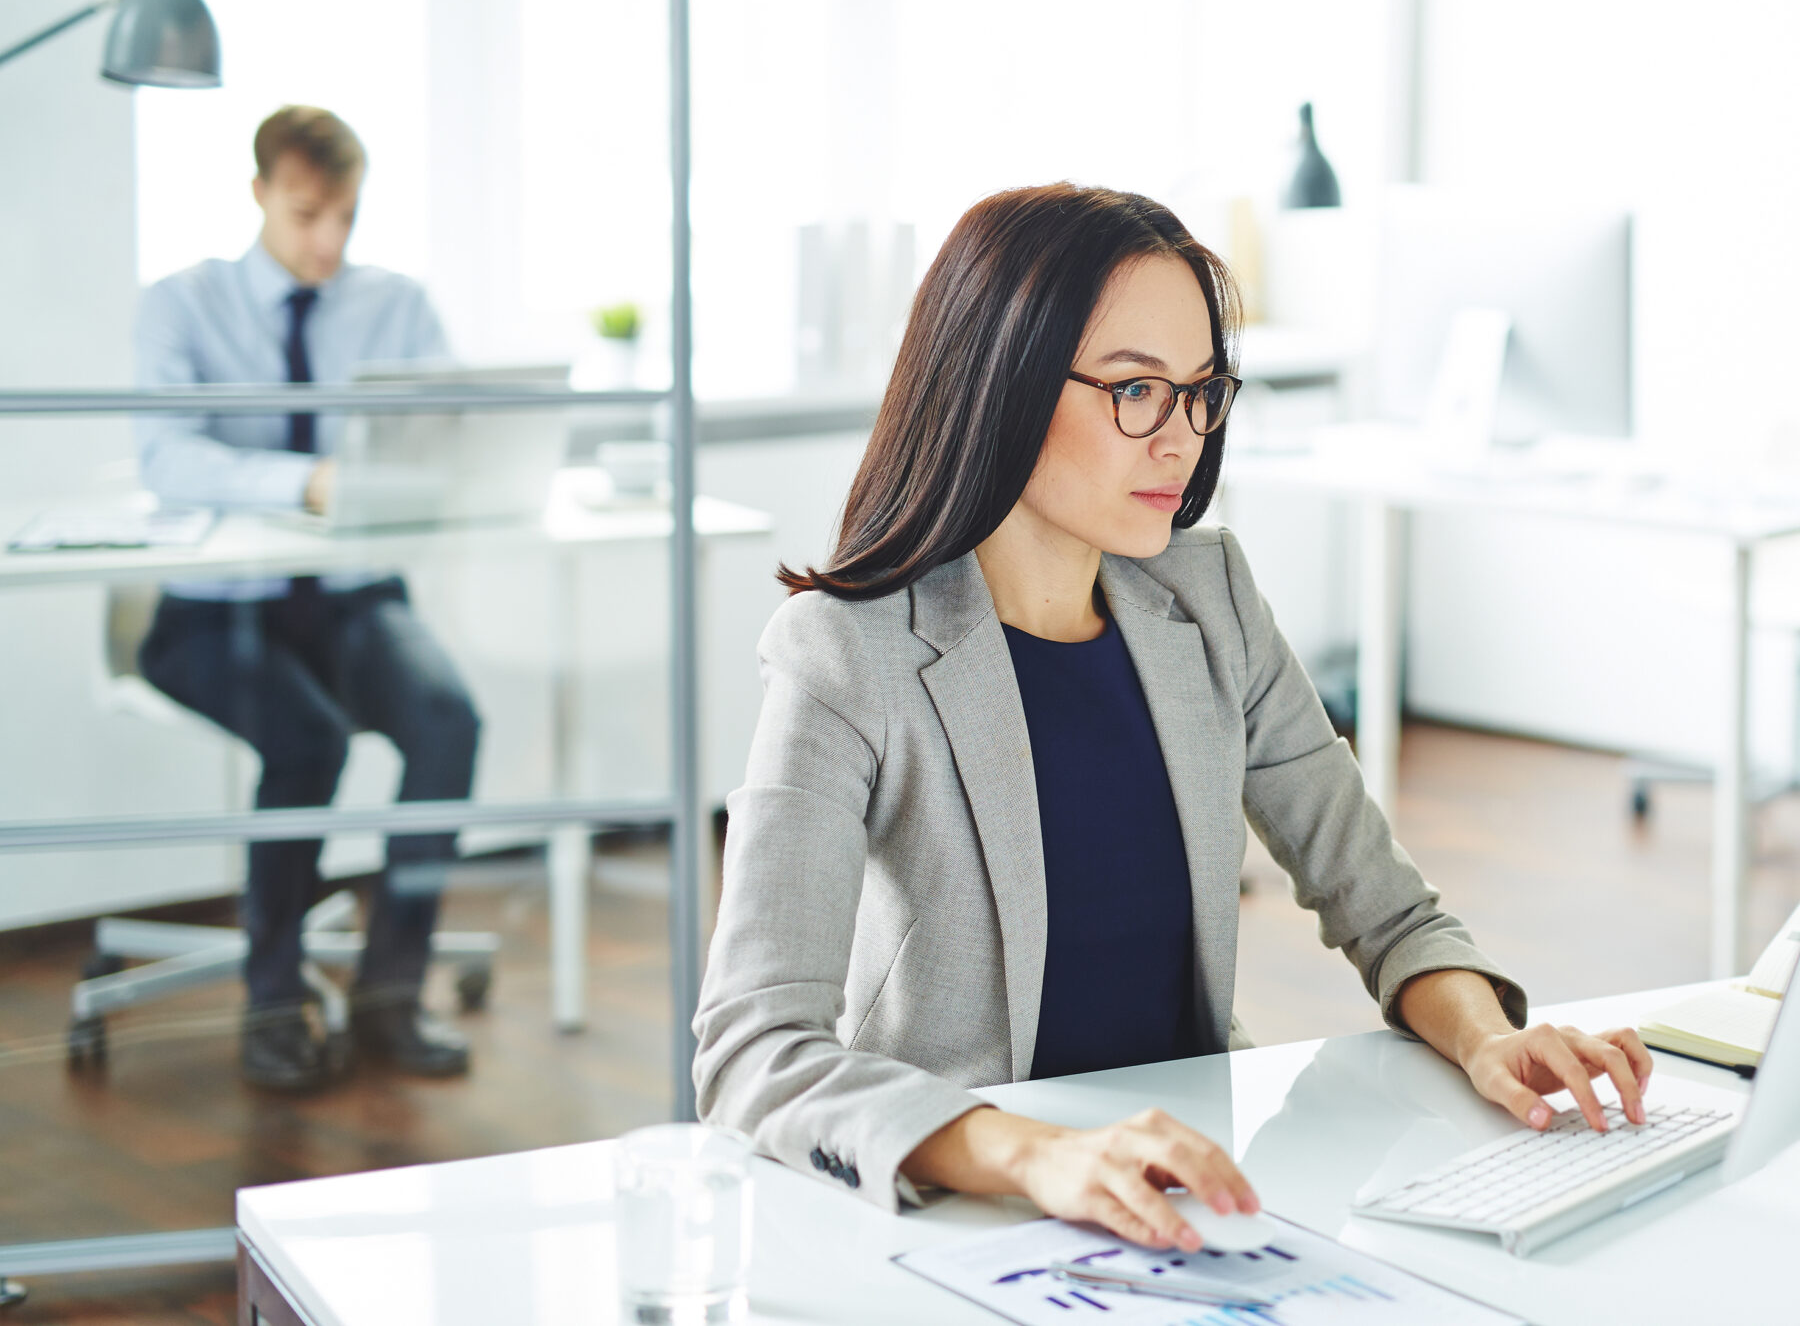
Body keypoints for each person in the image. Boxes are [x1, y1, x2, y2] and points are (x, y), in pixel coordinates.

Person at [694, 184, 1652, 1252]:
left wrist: (1482, 1038)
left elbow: (1386, 912)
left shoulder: (1208, 595)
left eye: (1202, 392)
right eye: (1137, 389)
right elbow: (752, 1046)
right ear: (1001, 384)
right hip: (968, 1211)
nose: (1183, 438)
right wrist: (1032, 1151)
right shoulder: (846, 651)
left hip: (1183, 1203)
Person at [134, 105, 480, 1091]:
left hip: (352, 597)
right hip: (214, 610)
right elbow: (165, 458)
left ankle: (388, 999)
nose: (329, 241)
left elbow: (453, 425)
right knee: (308, 741)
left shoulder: (396, 305)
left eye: (347, 217)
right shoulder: (181, 305)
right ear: (260, 197)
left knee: (447, 722)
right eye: (307, 215)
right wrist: (305, 483)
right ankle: (275, 1001)